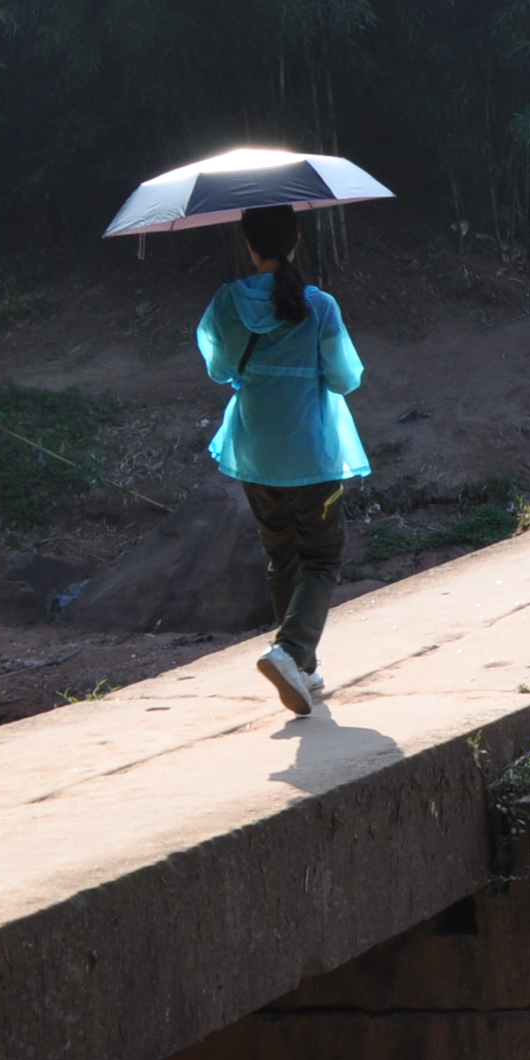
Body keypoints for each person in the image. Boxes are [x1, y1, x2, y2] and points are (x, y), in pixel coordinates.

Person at [197, 204, 369, 714]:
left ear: (248, 244)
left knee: (283, 558)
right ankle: (291, 651)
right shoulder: (320, 306)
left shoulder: (228, 301)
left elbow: (218, 366)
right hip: (312, 455)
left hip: (254, 451)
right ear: (296, 239)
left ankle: (304, 671)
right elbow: (345, 378)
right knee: (322, 558)